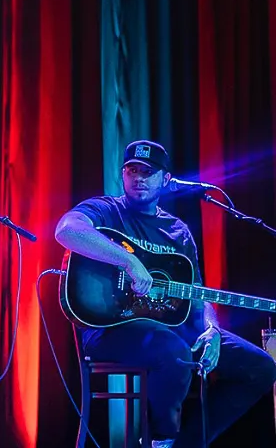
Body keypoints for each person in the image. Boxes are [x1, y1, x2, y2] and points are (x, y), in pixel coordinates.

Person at [55, 139, 276, 447]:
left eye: (148, 171)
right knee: (173, 351)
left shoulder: (177, 231)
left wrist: (212, 329)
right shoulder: (107, 209)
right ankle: (163, 439)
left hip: (173, 328)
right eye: (132, 170)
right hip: (109, 328)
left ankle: (185, 443)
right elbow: (67, 230)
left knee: (261, 368)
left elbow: (197, 293)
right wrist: (129, 261)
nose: (139, 178)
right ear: (123, 174)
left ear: (166, 179)